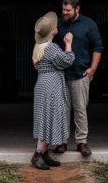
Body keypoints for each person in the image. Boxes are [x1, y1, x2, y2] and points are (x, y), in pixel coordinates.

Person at [54, 0, 103, 157]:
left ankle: (82, 142)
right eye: (63, 10)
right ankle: (62, 142)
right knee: (62, 110)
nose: (65, 13)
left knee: (80, 109)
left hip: (81, 74)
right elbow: (47, 44)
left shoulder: (89, 24)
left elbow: (98, 47)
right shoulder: (58, 24)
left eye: (68, 10)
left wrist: (93, 69)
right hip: (61, 74)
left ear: (77, 9)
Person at [31, 11, 75, 170]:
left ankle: (44, 153)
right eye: (54, 25)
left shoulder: (39, 46)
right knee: (48, 118)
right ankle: (37, 154)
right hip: (51, 85)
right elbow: (67, 60)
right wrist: (69, 44)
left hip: (43, 83)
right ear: (51, 31)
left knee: (45, 117)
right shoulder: (51, 48)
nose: (57, 25)